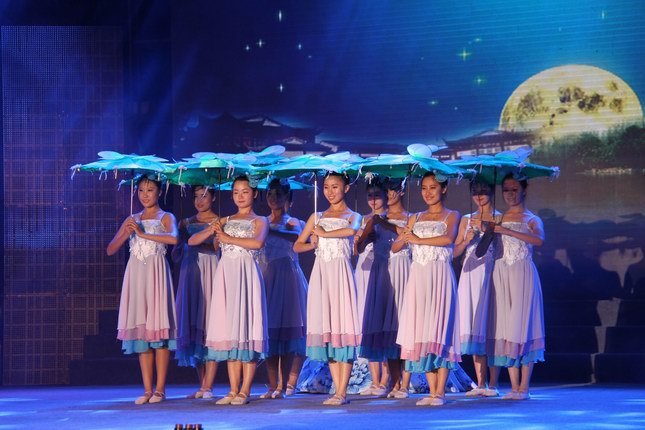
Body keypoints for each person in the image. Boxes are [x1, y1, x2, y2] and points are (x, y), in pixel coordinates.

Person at [107, 175, 178, 405]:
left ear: (159, 192)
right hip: (136, 275)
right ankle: (147, 389)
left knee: (159, 332)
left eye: (150, 190)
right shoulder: (132, 219)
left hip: (156, 274)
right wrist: (127, 232)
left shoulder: (166, 217)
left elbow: (173, 239)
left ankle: (160, 389)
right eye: (141, 190)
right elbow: (111, 249)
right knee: (142, 333)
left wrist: (142, 232)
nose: (145, 195)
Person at [294, 172, 362, 406]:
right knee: (329, 331)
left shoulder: (353, 216)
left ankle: (342, 392)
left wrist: (324, 233)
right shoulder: (317, 216)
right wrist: (312, 243)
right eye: (326, 187)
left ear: (346, 188)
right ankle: (336, 390)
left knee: (343, 328)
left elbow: (351, 231)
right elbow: (297, 245)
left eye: (335, 186)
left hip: (341, 276)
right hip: (322, 276)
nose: (330, 192)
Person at [393, 172, 461, 406]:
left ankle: (440, 392)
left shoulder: (452, 215)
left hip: (440, 276)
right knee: (423, 330)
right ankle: (432, 392)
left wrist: (418, 240)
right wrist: (404, 236)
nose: (428, 192)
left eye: (433, 187)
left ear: (443, 189)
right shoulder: (415, 217)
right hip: (418, 278)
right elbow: (395, 247)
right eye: (424, 188)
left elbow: (448, 239)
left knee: (440, 329)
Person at [204, 175, 269, 405]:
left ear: (254, 193)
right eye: (235, 192)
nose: (240, 196)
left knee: (246, 330)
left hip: (246, 274)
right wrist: (214, 232)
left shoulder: (260, 220)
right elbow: (197, 241)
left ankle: (245, 390)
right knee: (230, 330)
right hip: (226, 274)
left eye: (245, 191)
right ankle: (232, 390)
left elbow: (257, 243)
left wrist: (227, 237)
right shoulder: (225, 220)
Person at [490, 173, 546, 400]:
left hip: (522, 274)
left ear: (524, 190)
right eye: (506, 189)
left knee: (523, 326)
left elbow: (539, 240)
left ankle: (524, 387)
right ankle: (513, 386)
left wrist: (508, 231)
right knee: (506, 326)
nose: (510, 194)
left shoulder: (531, 219)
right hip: (502, 273)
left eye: (514, 189)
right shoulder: (498, 218)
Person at [259, 178, 308, 399]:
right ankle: (272, 385)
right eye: (270, 194)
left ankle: (287, 383)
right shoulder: (262, 222)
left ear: (287, 197)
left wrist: (269, 232)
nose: (273, 198)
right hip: (268, 277)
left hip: (288, 278)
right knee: (270, 331)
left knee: (289, 331)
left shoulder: (293, 222)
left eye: (278, 194)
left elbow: (296, 238)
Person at [453, 179, 501, 397]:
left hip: (491, 272)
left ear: (492, 192)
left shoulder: (500, 218)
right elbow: (454, 252)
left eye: (483, 191)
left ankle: (494, 384)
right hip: (470, 274)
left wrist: (489, 231)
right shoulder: (466, 219)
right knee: (474, 324)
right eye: (475, 192)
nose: (479, 196)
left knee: (490, 325)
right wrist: (466, 240)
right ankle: (481, 383)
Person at [172, 185, 220, 399]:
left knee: (209, 323)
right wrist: (179, 241)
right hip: (190, 271)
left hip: (210, 269)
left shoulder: (220, 221)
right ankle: (202, 384)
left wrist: (214, 237)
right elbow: (176, 255)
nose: (200, 201)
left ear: (213, 198)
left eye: (204, 196)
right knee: (193, 324)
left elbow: (219, 250)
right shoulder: (186, 223)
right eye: (196, 197)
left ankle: (208, 385)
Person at [354, 179, 390, 397]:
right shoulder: (363, 219)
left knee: (385, 321)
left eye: (377, 195)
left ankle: (386, 379)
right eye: (370, 195)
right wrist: (365, 236)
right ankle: (374, 380)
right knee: (369, 323)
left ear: (386, 196)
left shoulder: (391, 219)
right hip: (364, 271)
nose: (373, 200)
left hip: (385, 270)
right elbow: (356, 249)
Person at [379, 178, 413, 399]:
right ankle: (394, 382)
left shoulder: (412, 218)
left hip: (406, 271)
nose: (389, 194)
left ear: (401, 191)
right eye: (386, 190)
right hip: (385, 274)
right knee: (390, 327)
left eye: (393, 189)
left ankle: (406, 384)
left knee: (407, 326)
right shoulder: (377, 219)